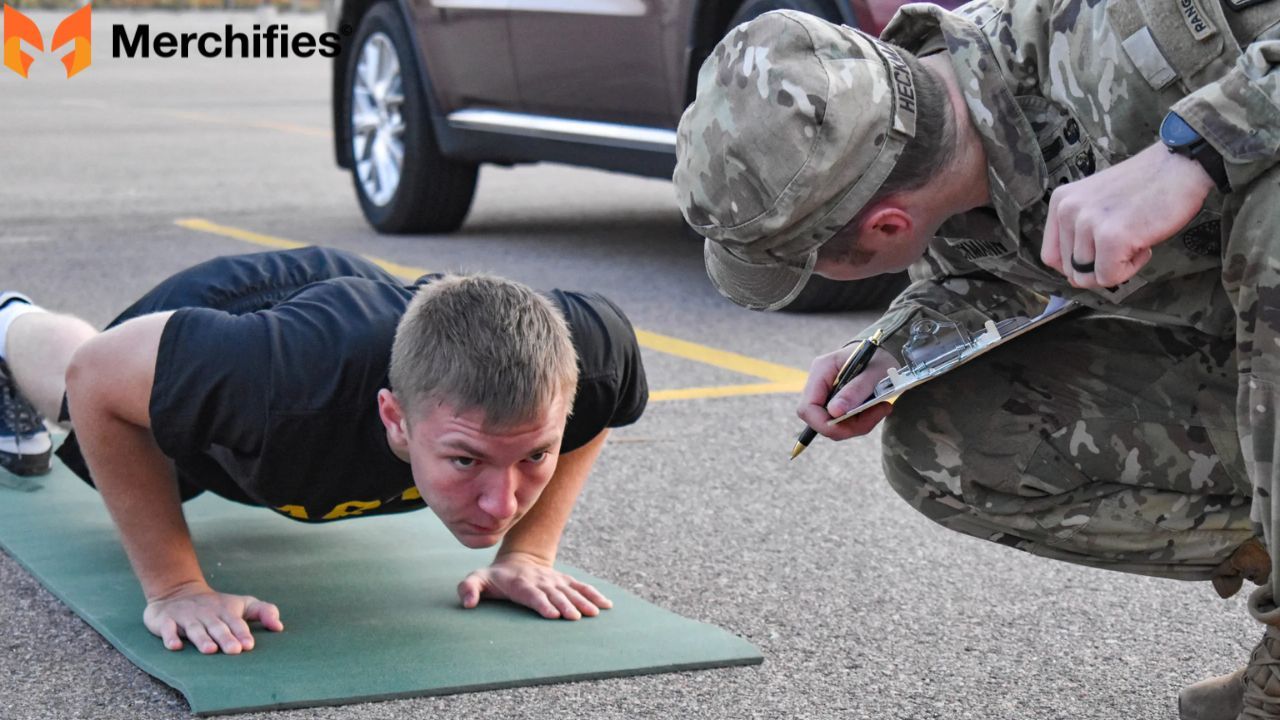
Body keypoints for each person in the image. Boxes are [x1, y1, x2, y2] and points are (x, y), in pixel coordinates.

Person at [673, 3, 1280, 718]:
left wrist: (1195, 151)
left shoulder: (1108, 33)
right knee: (954, 439)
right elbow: (994, 272)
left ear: (884, 225)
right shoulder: (947, 132)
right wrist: (898, 348)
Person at [0, 246, 648, 655]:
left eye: (533, 456)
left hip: (375, 322)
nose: (501, 502)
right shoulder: (277, 379)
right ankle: (10, 319)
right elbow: (96, 377)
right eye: (466, 460)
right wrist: (175, 587)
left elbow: (599, 404)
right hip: (247, 312)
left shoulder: (590, 357)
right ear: (394, 417)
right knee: (68, 391)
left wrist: (528, 551)